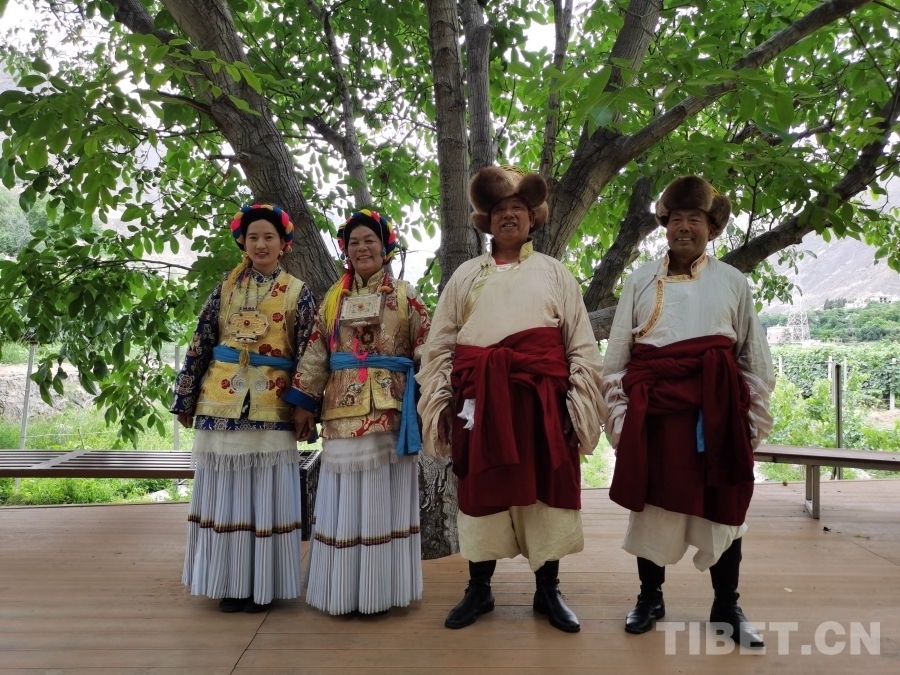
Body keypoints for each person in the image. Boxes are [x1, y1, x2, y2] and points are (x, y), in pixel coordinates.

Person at [417, 166, 606, 633]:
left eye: (517, 208)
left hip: (541, 403)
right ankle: (478, 589)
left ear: (532, 217)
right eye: (500, 209)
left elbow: (581, 345)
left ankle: (548, 590)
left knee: (547, 493)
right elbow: (440, 345)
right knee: (481, 492)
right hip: (479, 402)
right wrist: (440, 403)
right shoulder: (466, 275)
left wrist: (578, 406)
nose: (508, 216)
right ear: (486, 220)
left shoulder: (555, 274)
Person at [603, 176, 775, 648]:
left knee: (725, 508)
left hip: (717, 413)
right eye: (676, 218)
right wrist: (619, 418)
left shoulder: (733, 281)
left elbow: (753, 357)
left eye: (694, 219)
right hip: (655, 414)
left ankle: (727, 605)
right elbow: (617, 355)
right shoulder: (640, 279)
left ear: (711, 228)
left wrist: (750, 419)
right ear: (665, 225)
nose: (684, 227)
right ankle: (650, 597)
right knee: (652, 507)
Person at [171, 203, 317, 613]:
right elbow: (201, 341)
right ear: (243, 242)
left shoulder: (298, 292)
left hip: (273, 404)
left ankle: (263, 584)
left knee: (265, 496)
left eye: (269, 236)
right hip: (220, 401)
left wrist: (305, 405)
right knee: (226, 494)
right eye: (253, 237)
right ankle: (228, 583)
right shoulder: (225, 290)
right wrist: (185, 396)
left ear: (284, 244)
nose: (261, 244)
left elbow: (310, 353)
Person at [287, 209, 431, 616]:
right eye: (354, 242)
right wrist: (304, 404)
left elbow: (428, 343)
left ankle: (380, 593)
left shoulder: (404, 295)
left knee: (385, 498)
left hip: (391, 410)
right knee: (344, 500)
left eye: (370, 240)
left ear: (385, 248)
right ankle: (342, 591)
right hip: (340, 410)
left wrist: (435, 391)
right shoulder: (333, 300)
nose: (362, 248)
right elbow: (316, 350)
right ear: (345, 251)